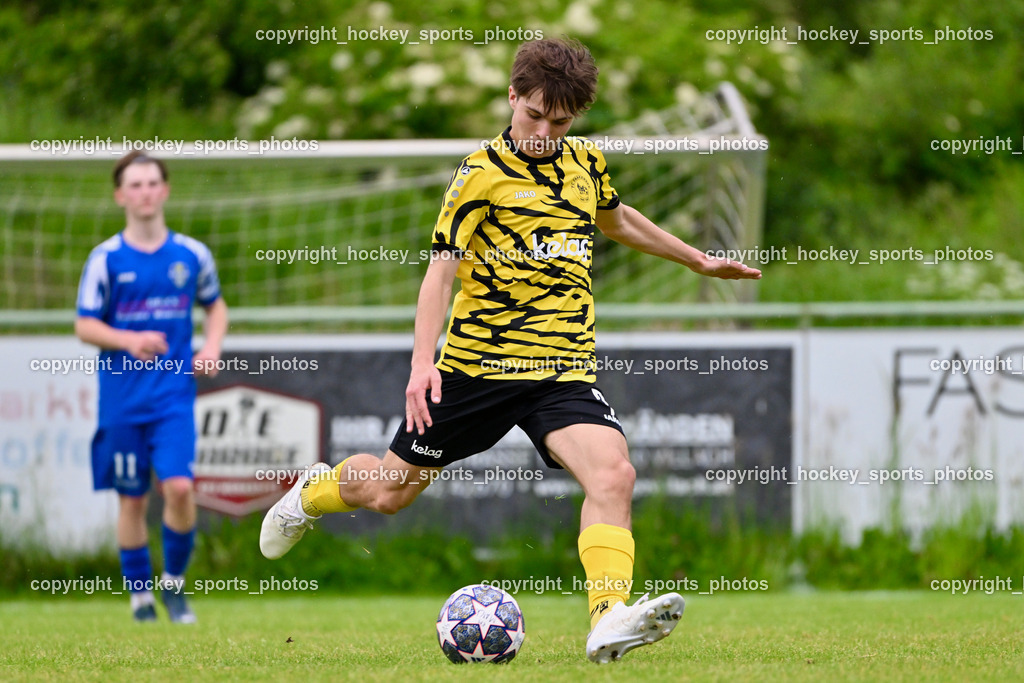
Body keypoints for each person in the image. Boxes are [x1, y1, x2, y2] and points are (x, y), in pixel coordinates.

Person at [260, 38, 760, 662]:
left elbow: (616, 218)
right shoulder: (480, 173)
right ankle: (315, 491)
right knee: (390, 493)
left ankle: (607, 619)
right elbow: (439, 273)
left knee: (615, 474)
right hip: (476, 369)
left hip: (561, 370)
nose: (545, 132)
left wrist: (699, 260)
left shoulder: (585, 165)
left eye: (561, 121)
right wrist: (422, 366)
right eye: (535, 116)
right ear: (513, 96)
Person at [76, 151, 228, 623]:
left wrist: (212, 346)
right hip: (122, 400)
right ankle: (140, 597)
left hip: (172, 397)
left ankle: (175, 587)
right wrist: (128, 339)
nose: (144, 192)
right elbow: (84, 325)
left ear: (165, 190)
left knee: (181, 488)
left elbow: (216, 306)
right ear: (121, 195)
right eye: (134, 185)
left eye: (151, 183)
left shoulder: (192, 254)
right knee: (133, 498)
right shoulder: (105, 259)